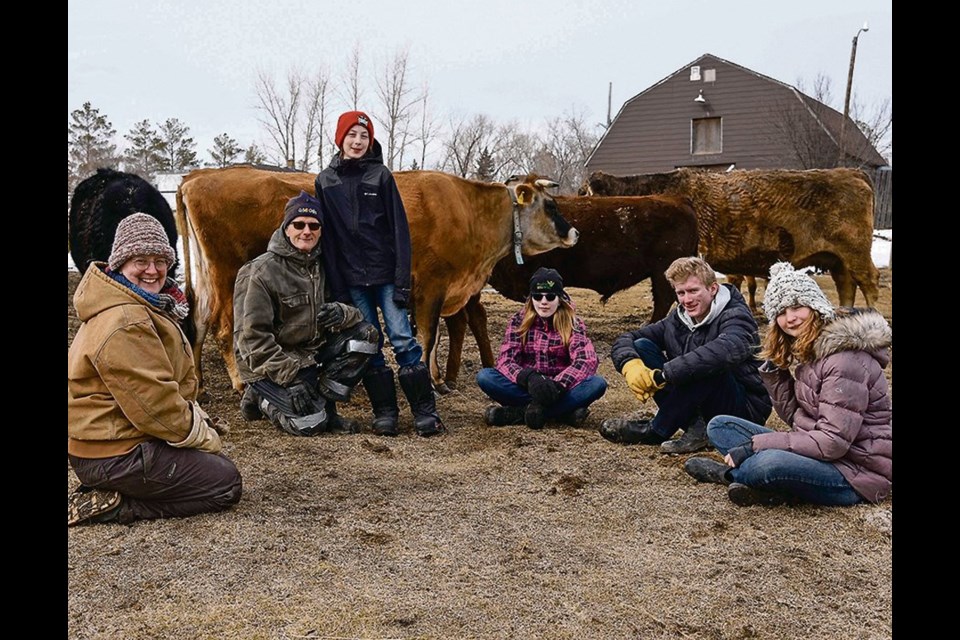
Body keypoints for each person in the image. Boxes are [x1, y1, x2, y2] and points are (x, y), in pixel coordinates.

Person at [67, 213, 242, 526]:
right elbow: (154, 404)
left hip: (109, 442)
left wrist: (194, 418)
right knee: (224, 483)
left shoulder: (140, 304)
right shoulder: (126, 320)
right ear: (119, 263)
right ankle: (117, 505)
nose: (153, 270)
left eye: (160, 260)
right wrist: (198, 434)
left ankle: (111, 486)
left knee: (208, 466)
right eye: (141, 260)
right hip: (116, 451)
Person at [683, 262, 892, 506]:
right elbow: (797, 419)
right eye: (780, 312)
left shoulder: (844, 361)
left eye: (796, 306)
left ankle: (732, 475)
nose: (789, 318)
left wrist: (756, 446)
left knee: (768, 463)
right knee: (721, 426)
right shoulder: (812, 351)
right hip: (819, 453)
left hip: (854, 472)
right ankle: (768, 486)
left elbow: (832, 443)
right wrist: (775, 373)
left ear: (815, 306)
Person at [314, 110, 444, 437]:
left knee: (402, 338)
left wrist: (402, 283)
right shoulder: (325, 181)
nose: (357, 142)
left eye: (364, 136)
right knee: (368, 343)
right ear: (340, 138)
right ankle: (385, 411)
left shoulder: (381, 176)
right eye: (352, 135)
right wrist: (339, 289)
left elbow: (400, 231)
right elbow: (328, 239)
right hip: (353, 280)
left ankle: (424, 411)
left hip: (386, 275)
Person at [233, 191, 379, 437]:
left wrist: (341, 313)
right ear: (286, 228)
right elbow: (251, 340)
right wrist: (289, 378)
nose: (306, 231)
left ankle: (326, 408)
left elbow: (356, 314)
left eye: (314, 225)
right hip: (268, 364)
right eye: (298, 224)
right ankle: (260, 398)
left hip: (309, 354)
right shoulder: (259, 272)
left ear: (321, 230)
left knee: (366, 337)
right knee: (309, 424)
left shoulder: (325, 265)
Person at [599, 256, 772, 453]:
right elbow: (628, 338)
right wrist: (629, 364)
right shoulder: (678, 318)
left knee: (709, 361)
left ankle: (658, 429)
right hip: (697, 399)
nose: (687, 300)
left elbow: (726, 350)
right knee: (642, 346)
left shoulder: (736, 315)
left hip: (742, 410)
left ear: (713, 289)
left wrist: (663, 375)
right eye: (680, 293)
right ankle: (695, 428)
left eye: (693, 291)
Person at [477, 267, 607, 429]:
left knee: (597, 384)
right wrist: (530, 379)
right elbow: (505, 360)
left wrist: (556, 386)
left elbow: (586, 361)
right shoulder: (518, 321)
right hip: (527, 387)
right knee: (485, 377)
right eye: (538, 297)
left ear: (559, 299)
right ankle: (563, 413)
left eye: (550, 296)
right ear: (531, 299)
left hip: (561, 390)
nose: (543, 302)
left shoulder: (574, 323)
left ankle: (519, 413)